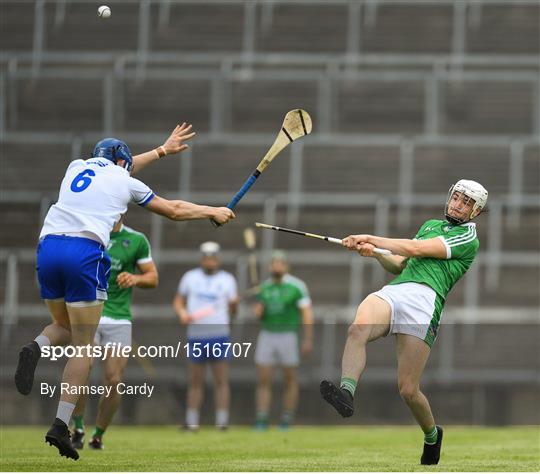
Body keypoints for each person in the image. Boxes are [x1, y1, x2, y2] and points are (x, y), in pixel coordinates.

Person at [14, 124, 235, 460]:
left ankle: (35, 346)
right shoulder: (126, 181)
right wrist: (211, 211)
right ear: (122, 163)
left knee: (62, 327)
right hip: (84, 251)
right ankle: (60, 425)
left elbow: (118, 171)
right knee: (83, 345)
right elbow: (173, 210)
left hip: (47, 247)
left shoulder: (75, 166)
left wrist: (161, 151)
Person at [320, 179, 488, 465]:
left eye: (466, 202)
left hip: (425, 303)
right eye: (456, 197)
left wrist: (371, 238)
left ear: (475, 212)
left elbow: (415, 249)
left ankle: (432, 435)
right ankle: (347, 392)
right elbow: (399, 263)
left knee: (408, 390)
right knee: (358, 328)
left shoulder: (468, 238)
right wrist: (373, 253)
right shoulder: (430, 224)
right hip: (398, 290)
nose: (458, 204)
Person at [70, 216, 158, 450]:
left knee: (114, 379)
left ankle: (98, 434)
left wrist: (136, 278)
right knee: (82, 369)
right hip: (88, 313)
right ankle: (77, 426)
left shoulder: (136, 240)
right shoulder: (87, 235)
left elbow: (153, 278)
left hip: (119, 318)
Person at [172, 242, 239, 431]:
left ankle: (222, 421)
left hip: (219, 335)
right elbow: (178, 301)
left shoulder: (227, 280)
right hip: (196, 335)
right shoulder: (190, 278)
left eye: (213, 258)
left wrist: (234, 305)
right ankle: (192, 421)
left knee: (221, 381)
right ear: (202, 259)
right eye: (206, 258)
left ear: (217, 260)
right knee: (195, 381)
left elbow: (233, 312)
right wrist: (182, 313)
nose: (210, 261)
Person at [253, 250, 313, 430]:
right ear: (270, 266)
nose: (277, 266)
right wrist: (258, 311)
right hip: (267, 334)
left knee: (289, 379)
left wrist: (307, 338)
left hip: (288, 335)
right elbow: (259, 313)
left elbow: (307, 313)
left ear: (286, 266)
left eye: (280, 263)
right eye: (274, 263)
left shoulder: (297, 286)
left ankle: (287, 419)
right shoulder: (264, 288)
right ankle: (262, 419)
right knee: (263, 379)